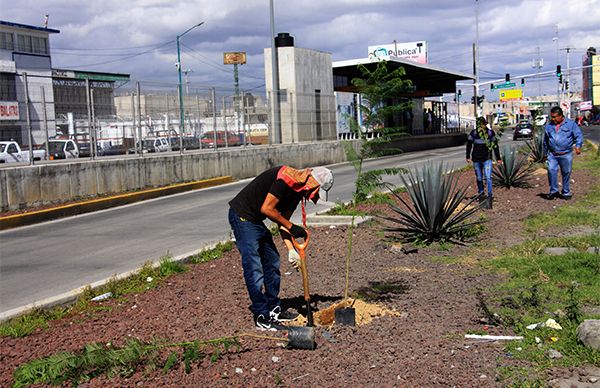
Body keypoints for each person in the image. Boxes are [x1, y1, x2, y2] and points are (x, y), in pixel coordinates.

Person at [228, 165, 334, 331]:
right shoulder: (286, 180)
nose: (314, 196)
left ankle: (273, 308)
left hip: (255, 220)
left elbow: (282, 222)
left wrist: (291, 250)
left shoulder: (297, 192)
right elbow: (267, 209)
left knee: (272, 260)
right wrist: (292, 226)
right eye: (317, 191)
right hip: (242, 216)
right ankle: (261, 316)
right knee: (254, 267)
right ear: (313, 183)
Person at [543, 106, 584, 200]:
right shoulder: (549, 126)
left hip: (566, 154)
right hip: (552, 154)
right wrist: (545, 153)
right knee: (551, 171)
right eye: (551, 117)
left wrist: (578, 146)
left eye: (555, 117)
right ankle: (554, 191)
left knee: (566, 172)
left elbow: (578, 136)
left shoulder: (570, 124)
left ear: (561, 116)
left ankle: (566, 192)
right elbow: (545, 141)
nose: (553, 119)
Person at [466, 117, 502, 209]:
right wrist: (468, 156)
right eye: (480, 124)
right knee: (479, 178)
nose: (482, 126)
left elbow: (495, 146)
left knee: (488, 177)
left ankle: (489, 194)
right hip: (476, 159)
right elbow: (469, 144)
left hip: (487, 159)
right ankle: (481, 193)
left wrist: (498, 158)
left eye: (483, 124)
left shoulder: (490, 133)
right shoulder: (474, 133)